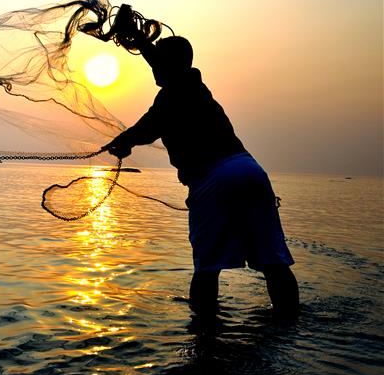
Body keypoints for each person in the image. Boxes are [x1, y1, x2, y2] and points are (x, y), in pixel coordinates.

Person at [102, 34, 299, 316]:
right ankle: (291, 329)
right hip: (251, 170)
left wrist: (123, 141)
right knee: (273, 263)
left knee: (207, 270)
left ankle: (204, 342)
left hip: (213, 178)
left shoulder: (171, 94)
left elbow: (145, 128)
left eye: (159, 63)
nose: (154, 68)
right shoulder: (195, 87)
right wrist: (140, 42)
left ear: (168, 65)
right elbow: (164, 66)